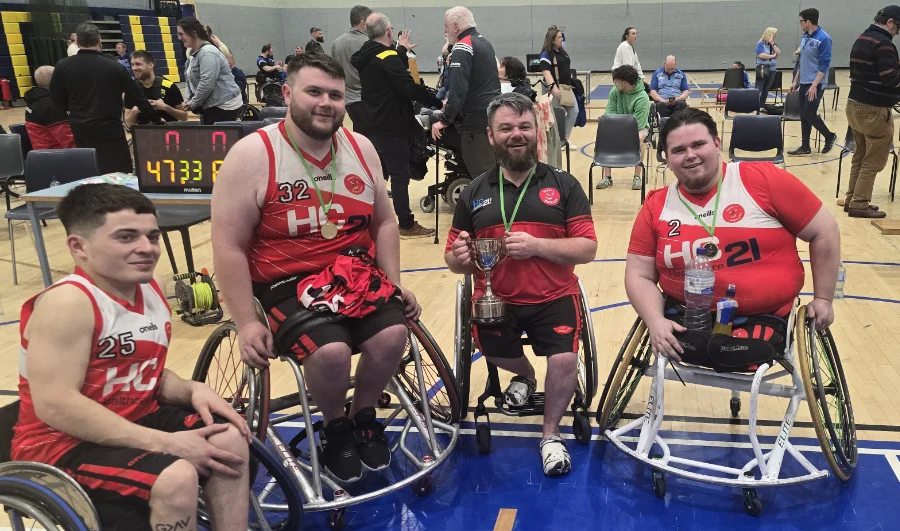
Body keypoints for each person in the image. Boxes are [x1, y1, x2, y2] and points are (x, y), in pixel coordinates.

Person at [210, 53, 422, 483]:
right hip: (284, 281)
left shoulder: (361, 149)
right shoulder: (253, 155)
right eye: (314, 92)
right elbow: (228, 246)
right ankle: (334, 427)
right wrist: (246, 322)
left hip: (353, 272)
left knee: (393, 334)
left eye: (335, 95)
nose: (326, 103)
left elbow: (384, 222)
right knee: (331, 351)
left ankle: (363, 415)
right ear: (288, 94)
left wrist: (394, 284)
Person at [12, 183, 251, 530]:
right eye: (126, 237)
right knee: (176, 476)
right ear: (79, 247)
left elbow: (140, 370)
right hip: (59, 446)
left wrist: (191, 389)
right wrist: (166, 443)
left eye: (152, 237)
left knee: (229, 437)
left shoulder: (149, 287)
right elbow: (56, 404)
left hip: (131, 421)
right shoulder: (68, 304)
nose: (146, 249)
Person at [444, 92, 597, 477]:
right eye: (506, 128)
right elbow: (452, 257)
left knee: (563, 359)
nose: (517, 134)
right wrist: (459, 258)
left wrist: (538, 246)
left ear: (537, 130)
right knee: (496, 354)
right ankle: (526, 375)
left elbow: (588, 248)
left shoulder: (564, 185)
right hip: (496, 300)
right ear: (492, 137)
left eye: (524, 126)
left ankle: (550, 436)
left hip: (554, 296)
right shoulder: (475, 191)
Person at [624, 108, 840, 366]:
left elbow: (824, 230)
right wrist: (656, 321)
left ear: (717, 144)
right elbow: (639, 274)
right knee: (706, 349)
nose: (690, 155)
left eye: (698, 144)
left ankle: (719, 349)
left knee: (723, 351)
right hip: (688, 319)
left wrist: (823, 299)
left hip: (763, 320)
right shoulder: (655, 206)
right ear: (667, 159)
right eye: (678, 150)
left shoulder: (763, 180)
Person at [352, 13, 441, 238]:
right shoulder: (386, 57)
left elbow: (388, 68)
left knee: (378, 177)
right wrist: (438, 101)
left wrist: (400, 50)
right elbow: (409, 87)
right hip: (391, 126)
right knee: (399, 177)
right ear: (389, 32)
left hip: (370, 124)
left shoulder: (367, 55)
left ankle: (370, 222)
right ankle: (406, 224)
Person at [50, 23, 160, 174]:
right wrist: (156, 119)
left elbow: (57, 100)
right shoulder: (114, 67)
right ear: (99, 41)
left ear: (77, 42)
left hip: (80, 130)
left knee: (88, 173)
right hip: (110, 130)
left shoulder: (62, 66)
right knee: (117, 175)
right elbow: (138, 97)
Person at [843, 6, 900, 219]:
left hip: (854, 106)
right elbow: (890, 78)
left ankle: (851, 199)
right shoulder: (884, 44)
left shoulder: (863, 37)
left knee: (859, 156)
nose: (897, 33)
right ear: (891, 22)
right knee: (873, 160)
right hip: (874, 110)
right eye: (898, 28)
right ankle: (859, 203)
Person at [431, 6, 501, 178]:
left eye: (446, 26)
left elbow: (458, 90)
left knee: (482, 177)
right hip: (491, 116)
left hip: (474, 124)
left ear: (455, 27)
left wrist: (445, 120)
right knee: (492, 171)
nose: (445, 31)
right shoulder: (485, 42)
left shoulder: (463, 47)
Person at [789, 8, 837, 155]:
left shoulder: (823, 38)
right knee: (804, 114)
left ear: (808, 21)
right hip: (804, 82)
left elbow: (824, 65)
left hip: (815, 84)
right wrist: (795, 81)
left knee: (809, 113)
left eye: (801, 21)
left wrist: (814, 85)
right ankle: (805, 146)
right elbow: (803, 62)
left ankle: (829, 136)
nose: (800, 24)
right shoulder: (805, 37)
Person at [177, 19, 243, 124]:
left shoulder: (208, 52)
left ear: (193, 33)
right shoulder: (192, 55)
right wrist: (187, 99)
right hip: (209, 104)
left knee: (216, 139)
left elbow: (206, 84)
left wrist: (192, 103)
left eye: (181, 34)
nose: (179, 38)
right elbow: (189, 81)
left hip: (223, 106)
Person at [596, 65, 650, 191]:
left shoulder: (642, 97)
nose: (614, 84)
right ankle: (607, 177)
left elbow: (638, 124)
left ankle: (637, 176)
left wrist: (617, 124)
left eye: (616, 81)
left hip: (637, 128)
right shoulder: (615, 92)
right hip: (618, 126)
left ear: (624, 82)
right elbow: (609, 113)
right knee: (606, 135)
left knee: (639, 138)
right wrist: (615, 126)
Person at [332, 5, 372, 130]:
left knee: (359, 129)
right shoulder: (370, 43)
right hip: (368, 98)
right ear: (363, 23)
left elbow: (334, 72)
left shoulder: (336, 43)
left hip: (348, 100)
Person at [125, 50, 187, 128]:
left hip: (169, 135)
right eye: (132, 65)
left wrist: (165, 107)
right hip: (144, 136)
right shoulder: (131, 89)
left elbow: (184, 117)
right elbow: (128, 124)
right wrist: (135, 111)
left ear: (151, 65)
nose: (134, 68)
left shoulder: (169, 86)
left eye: (138, 64)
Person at [24, 66, 76, 150]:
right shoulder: (51, 105)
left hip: (43, 151)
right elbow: (68, 141)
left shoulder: (35, 99)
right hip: (56, 155)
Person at [539, 26, 578, 139]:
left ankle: (565, 137)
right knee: (555, 116)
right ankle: (557, 140)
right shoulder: (546, 54)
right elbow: (546, 72)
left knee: (574, 111)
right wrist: (554, 88)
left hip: (566, 88)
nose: (562, 39)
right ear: (552, 39)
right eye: (559, 37)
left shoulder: (561, 52)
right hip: (554, 89)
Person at [755, 27, 781, 109]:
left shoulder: (773, 44)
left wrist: (772, 43)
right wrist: (772, 56)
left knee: (766, 88)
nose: (775, 36)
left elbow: (778, 52)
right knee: (758, 88)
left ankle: (761, 105)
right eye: (774, 34)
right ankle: (753, 104)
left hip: (772, 69)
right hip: (762, 68)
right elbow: (761, 55)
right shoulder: (760, 44)